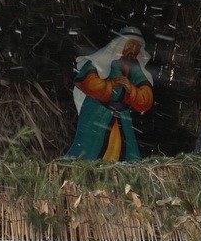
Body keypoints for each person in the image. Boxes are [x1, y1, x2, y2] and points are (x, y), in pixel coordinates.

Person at [66, 27, 154, 162]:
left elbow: (146, 99)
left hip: (122, 118)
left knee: (123, 154)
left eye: (138, 47)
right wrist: (111, 84)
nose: (134, 49)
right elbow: (88, 83)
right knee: (87, 152)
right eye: (131, 44)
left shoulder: (135, 68)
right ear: (120, 44)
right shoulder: (102, 60)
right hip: (96, 113)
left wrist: (131, 90)